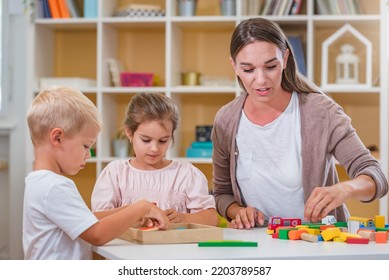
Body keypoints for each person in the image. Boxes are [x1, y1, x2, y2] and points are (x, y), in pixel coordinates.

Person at [211, 17, 388, 229]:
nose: (260, 80)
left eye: (270, 66)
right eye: (248, 69)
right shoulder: (226, 120)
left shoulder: (321, 112)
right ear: (234, 66)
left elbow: (375, 176)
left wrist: (343, 190)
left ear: (285, 59)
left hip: (317, 242)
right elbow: (222, 193)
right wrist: (238, 212)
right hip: (258, 243)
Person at [23, 86, 169, 260]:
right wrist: (142, 207)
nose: (89, 154)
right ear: (57, 138)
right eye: (86, 145)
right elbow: (97, 234)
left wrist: (130, 211)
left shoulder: (39, 182)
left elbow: (86, 220)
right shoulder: (55, 187)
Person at [91, 92, 218, 227]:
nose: (154, 149)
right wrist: (133, 213)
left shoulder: (186, 173)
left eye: (163, 140)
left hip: (175, 247)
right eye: (146, 140)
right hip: (125, 247)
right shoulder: (115, 173)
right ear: (129, 133)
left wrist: (183, 218)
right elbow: (96, 219)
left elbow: (211, 218)